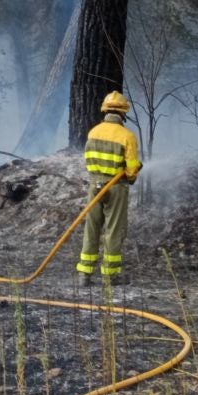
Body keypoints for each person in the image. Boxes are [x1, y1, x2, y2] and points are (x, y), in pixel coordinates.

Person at [79, 90, 142, 286]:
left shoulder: (93, 132)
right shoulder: (127, 136)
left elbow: (88, 159)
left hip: (94, 185)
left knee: (92, 227)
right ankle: (110, 275)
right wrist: (132, 175)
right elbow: (131, 169)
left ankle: (84, 275)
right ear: (123, 113)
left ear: (105, 110)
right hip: (116, 187)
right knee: (114, 230)